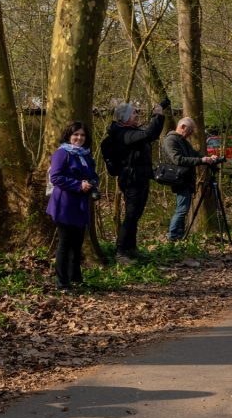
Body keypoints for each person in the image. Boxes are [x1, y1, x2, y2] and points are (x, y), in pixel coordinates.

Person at [106, 98, 166, 263]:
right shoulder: (123, 134)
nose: (137, 114)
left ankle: (131, 248)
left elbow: (146, 134)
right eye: (134, 112)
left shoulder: (130, 131)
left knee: (135, 214)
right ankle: (121, 252)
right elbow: (150, 134)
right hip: (131, 179)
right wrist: (158, 115)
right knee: (131, 215)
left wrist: (162, 106)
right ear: (124, 118)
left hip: (141, 177)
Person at [46, 121, 99, 291]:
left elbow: (93, 174)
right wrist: (78, 185)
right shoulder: (62, 153)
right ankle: (62, 282)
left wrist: (92, 183)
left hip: (80, 204)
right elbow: (55, 177)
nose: (79, 138)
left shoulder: (85, 155)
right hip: (65, 203)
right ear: (69, 136)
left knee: (78, 242)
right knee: (65, 242)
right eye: (76, 134)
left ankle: (75, 277)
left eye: (82, 135)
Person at [162, 117, 219, 241]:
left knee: (184, 209)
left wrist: (208, 158)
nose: (192, 133)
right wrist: (201, 160)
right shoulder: (170, 140)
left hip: (187, 179)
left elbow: (195, 154)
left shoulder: (182, 140)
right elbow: (177, 160)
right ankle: (172, 237)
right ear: (182, 127)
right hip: (179, 179)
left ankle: (179, 236)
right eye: (191, 129)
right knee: (182, 209)